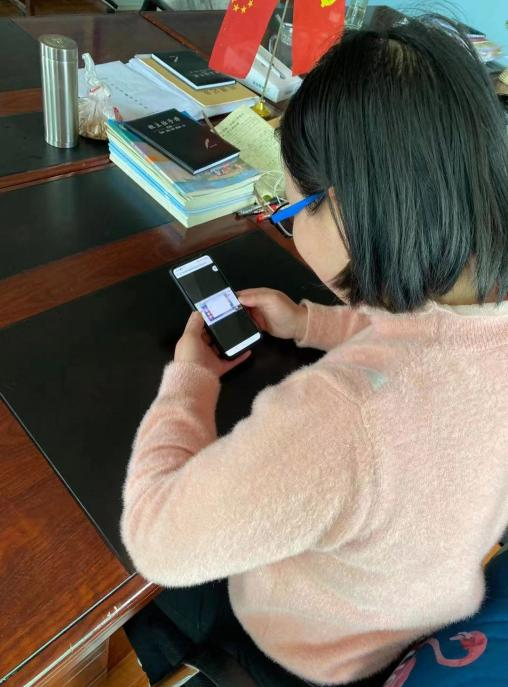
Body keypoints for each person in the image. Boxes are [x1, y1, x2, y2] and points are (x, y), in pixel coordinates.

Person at [120, 15, 508, 687]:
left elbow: (157, 539)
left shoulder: (343, 418)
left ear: (347, 209)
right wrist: (306, 322)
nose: (290, 226)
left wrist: (189, 379)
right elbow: (429, 343)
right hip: (404, 611)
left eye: (291, 212)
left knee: (127, 597)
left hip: (308, 651)